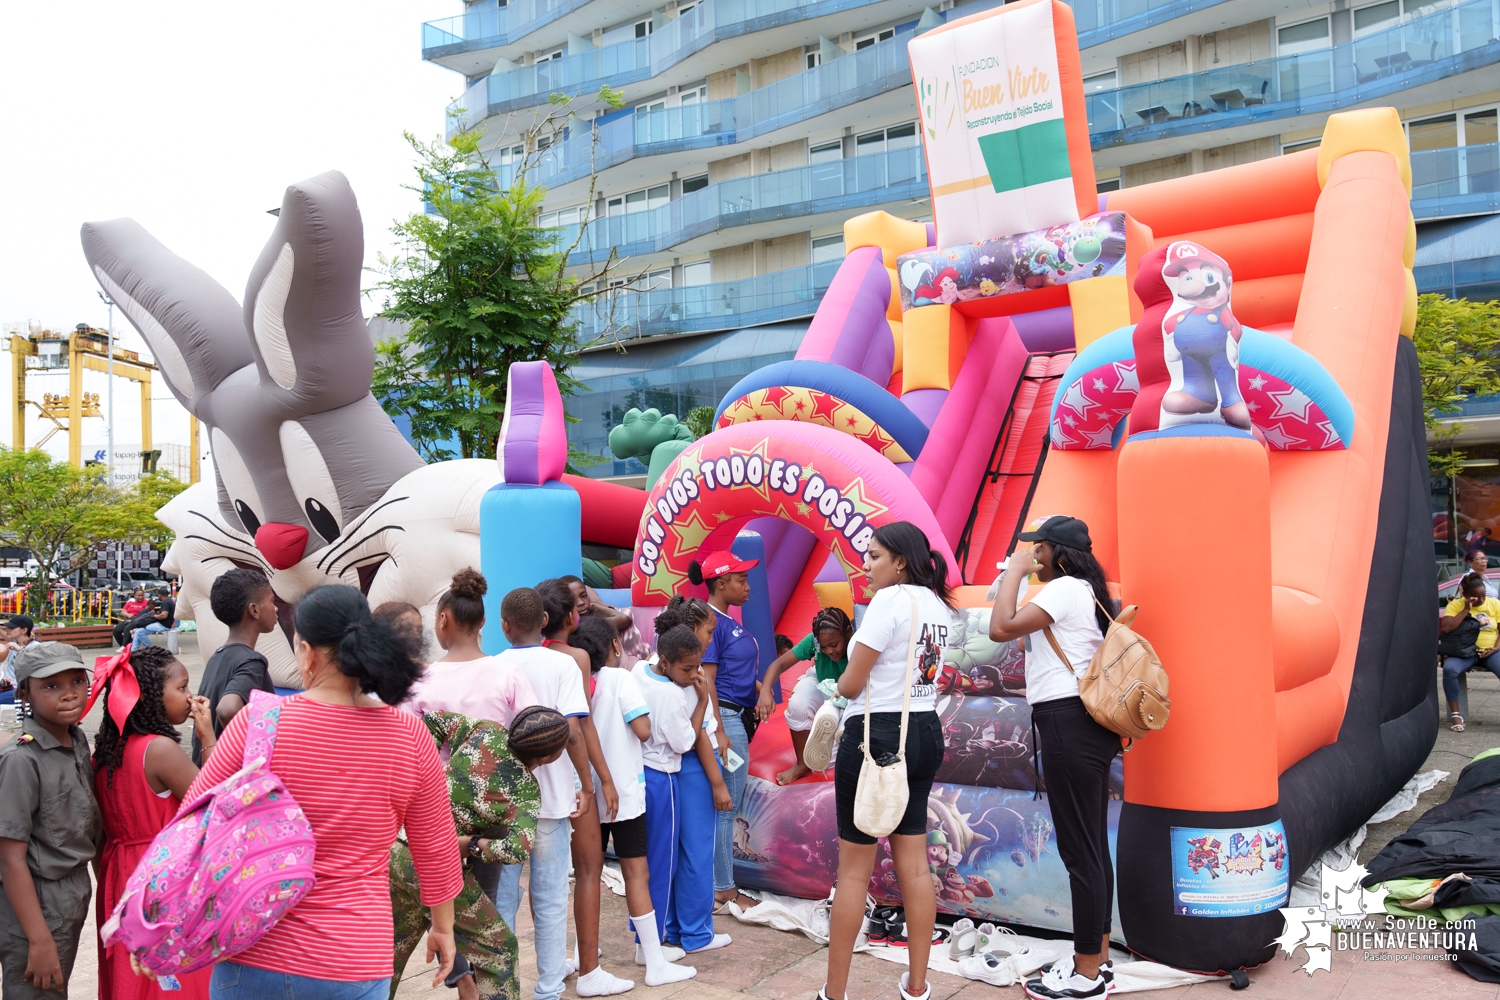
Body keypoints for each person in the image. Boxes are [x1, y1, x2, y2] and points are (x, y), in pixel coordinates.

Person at [182, 584, 461, 999]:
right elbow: (436, 846)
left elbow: (193, 821)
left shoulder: (259, 722)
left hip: (253, 948)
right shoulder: (410, 738)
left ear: (307, 652)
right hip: (353, 957)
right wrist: (443, 927)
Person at [988, 515, 1121, 1000]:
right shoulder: (1086, 590)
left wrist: (1013, 573)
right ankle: (1097, 959)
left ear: (1056, 552)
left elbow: (1000, 627)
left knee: (1079, 851)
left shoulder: (1065, 588)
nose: (1032, 554)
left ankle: (1086, 975)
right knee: (1089, 849)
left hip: (1069, 723)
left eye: (1037, 548)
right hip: (1083, 726)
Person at [821, 523, 952, 1000]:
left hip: (876, 734)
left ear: (900, 561)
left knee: (854, 870)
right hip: (924, 731)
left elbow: (852, 684)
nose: (866, 565)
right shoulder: (938, 605)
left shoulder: (888, 602)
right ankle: (917, 986)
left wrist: (832, 693)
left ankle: (834, 993)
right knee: (914, 867)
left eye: (874, 556)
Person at [391, 706, 571, 1000]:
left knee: (388, 954)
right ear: (547, 757)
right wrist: (475, 844)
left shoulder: (486, 730)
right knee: (499, 950)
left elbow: (434, 721)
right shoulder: (525, 790)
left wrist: (425, 774)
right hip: (434, 864)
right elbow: (516, 850)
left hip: (397, 850)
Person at [573, 615, 699, 987]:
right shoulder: (621, 679)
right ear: (614, 646)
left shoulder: (580, 681)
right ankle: (653, 959)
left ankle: (586, 957)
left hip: (587, 792)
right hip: (625, 792)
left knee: (587, 876)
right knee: (637, 874)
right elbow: (643, 731)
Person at [488, 587, 601, 1000]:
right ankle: (549, 989)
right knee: (551, 899)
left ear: (504, 626)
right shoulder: (563, 664)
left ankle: (498, 987)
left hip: (504, 804)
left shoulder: (493, 666)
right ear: (543, 622)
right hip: (552, 800)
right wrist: (586, 786)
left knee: (501, 900)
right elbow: (572, 731)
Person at [92, 645, 217, 1000]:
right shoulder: (159, 749)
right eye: (181, 688)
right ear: (148, 696)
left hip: (120, 874)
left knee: (133, 981)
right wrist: (207, 737)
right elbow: (214, 805)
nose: (190, 696)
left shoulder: (105, 753)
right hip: (164, 874)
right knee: (175, 980)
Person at [535, 579, 624, 994]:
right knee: (589, 870)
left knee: (543, 880)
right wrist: (600, 781)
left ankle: (555, 965)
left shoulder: (518, 658)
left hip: (531, 775)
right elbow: (581, 728)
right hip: (571, 774)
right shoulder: (575, 660)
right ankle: (589, 970)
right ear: (571, 617)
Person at [0, 642, 101, 999]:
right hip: (37, 902)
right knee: (36, 991)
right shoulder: (20, 760)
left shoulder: (75, 742)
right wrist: (38, 939)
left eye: (77, 681)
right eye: (51, 686)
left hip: (72, 893)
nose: (69, 694)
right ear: (24, 691)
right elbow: (10, 858)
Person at [635, 624, 730, 960]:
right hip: (678, 771)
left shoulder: (643, 670)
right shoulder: (682, 689)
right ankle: (693, 933)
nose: (696, 672)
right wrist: (718, 783)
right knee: (693, 854)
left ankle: (671, 930)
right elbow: (693, 738)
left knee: (668, 858)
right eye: (707, 630)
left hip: (654, 773)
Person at [686, 551, 762, 913]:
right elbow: (709, 681)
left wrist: (760, 688)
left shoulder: (725, 621)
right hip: (728, 721)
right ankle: (723, 890)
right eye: (740, 580)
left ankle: (718, 883)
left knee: (724, 807)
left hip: (735, 716)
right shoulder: (711, 623)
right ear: (720, 583)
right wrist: (717, 729)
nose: (747, 587)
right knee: (725, 808)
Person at [402, 570, 537, 728]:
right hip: (493, 752)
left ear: (443, 620)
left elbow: (407, 737)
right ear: (482, 622)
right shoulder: (507, 673)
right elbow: (536, 726)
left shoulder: (421, 681)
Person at [757, 607, 853, 785]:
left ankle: (832, 732)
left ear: (848, 633)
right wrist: (764, 690)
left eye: (834, 645)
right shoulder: (814, 642)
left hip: (850, 688)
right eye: (823, 647)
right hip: (822, 678)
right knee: (798, 705)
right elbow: (778, 664)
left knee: (824, 761)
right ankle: (802, 763)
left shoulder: (858, 644)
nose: (829, 651)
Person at [192, 568, 277, 765]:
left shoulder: (217, 656)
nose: (276, 608)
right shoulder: (252, 661)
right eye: (271, 601)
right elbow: (227, 710)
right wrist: (253, 757)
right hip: (229, 778)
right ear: (254, 610)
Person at [1440, 572, 1500, 732]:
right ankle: (1456, 715)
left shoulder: (1494, 604)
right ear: (1465, 594)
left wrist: (1496, 647)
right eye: (1475, 597)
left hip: (1490, 651)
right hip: (1464, 651)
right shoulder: (1455, 605)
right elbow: (1446, 628)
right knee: (1450, 669)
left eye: (1483, 596)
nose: (1481, 600)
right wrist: (1466, 609)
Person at [1, 615, 39, 707]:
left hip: (22, 690)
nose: (7, 630)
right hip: (8, 687)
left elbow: (37, 662)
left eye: (11, 628)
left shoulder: (35, 646)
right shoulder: (14, 641)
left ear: (24, 630)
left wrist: (19, 649)